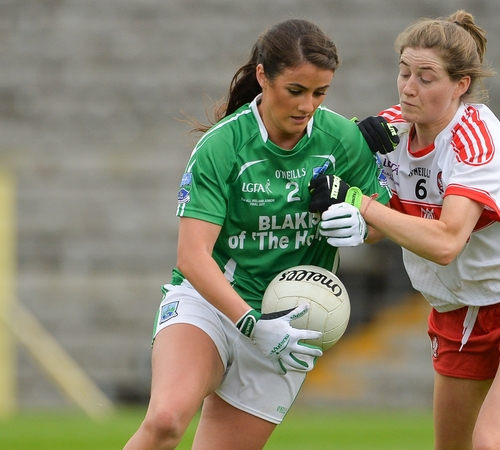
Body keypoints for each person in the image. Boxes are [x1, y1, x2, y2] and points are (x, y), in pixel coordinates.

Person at [309, 10, 500, 450]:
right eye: (404, 72)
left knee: (492, 442)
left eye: (426, 78)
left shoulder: (476, 140)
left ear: (461, 85)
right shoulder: (388, 130)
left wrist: (359, 202)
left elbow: (445, 243)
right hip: (456, 312)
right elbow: (386, 222)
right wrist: (355, 220)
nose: (408, 87)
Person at [124, 18, 390, 450]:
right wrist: (250, 321)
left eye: (320, 93)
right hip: (214, 304)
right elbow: (192, 257)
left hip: (291, 325)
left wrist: (363, 224)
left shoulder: (342, 139)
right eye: (295, 90)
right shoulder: (223, 145)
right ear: (263, 76)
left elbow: (382, 219)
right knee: (166, 420)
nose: (307, 106)